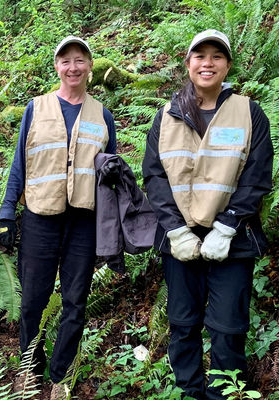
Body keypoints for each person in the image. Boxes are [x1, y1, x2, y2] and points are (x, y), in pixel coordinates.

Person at [142, 29, 272, 400]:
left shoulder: (248, 112)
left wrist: (229, 224)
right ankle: (189, 393)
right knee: (183, 324)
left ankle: (224, 395)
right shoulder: (166, 116)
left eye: (217, 56)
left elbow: (258, 174)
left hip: (232, 239)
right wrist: (176, 230)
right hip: (180, 239)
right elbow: (154, 174)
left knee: (229, 327)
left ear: (227, 65)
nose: (208, 63)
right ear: (188, 64)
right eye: (200, 56)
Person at [0, 36, 117, 398]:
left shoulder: (103, 115)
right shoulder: (36, 108)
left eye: (80, 60)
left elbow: (111, 176)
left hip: (82, 222)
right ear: (56, 67)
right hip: (40, 218)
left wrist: (110, 229)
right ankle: (30, 367)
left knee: (75, 300)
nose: (73, 67)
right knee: (33, 298)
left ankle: (59, 372)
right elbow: (19, 163)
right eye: (66, 61)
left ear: (90, 66)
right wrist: (7, 213)